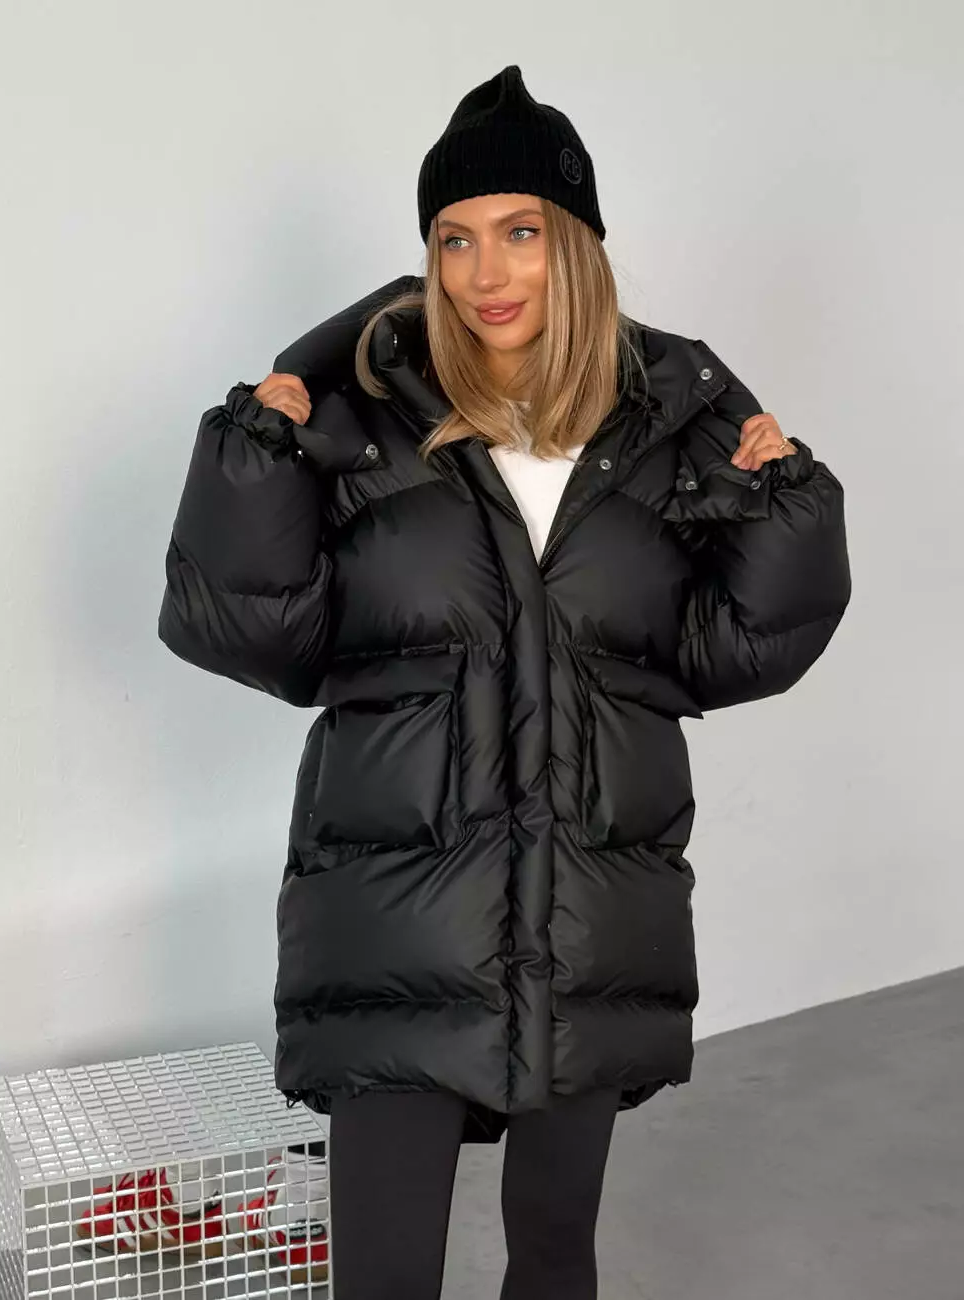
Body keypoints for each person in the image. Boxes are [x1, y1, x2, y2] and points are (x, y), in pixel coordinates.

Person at [158, 63, 851, 1300]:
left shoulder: (660, 435)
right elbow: (255, 636)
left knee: (555, 1251)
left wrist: (784, 506)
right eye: (455, 238)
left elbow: (731, 652)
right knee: (384, 1277)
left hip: (588, 920)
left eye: (521, 231)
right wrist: (254, 461)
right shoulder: (365, 419)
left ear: (575, 243)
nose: (487, 271)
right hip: (396, 920)